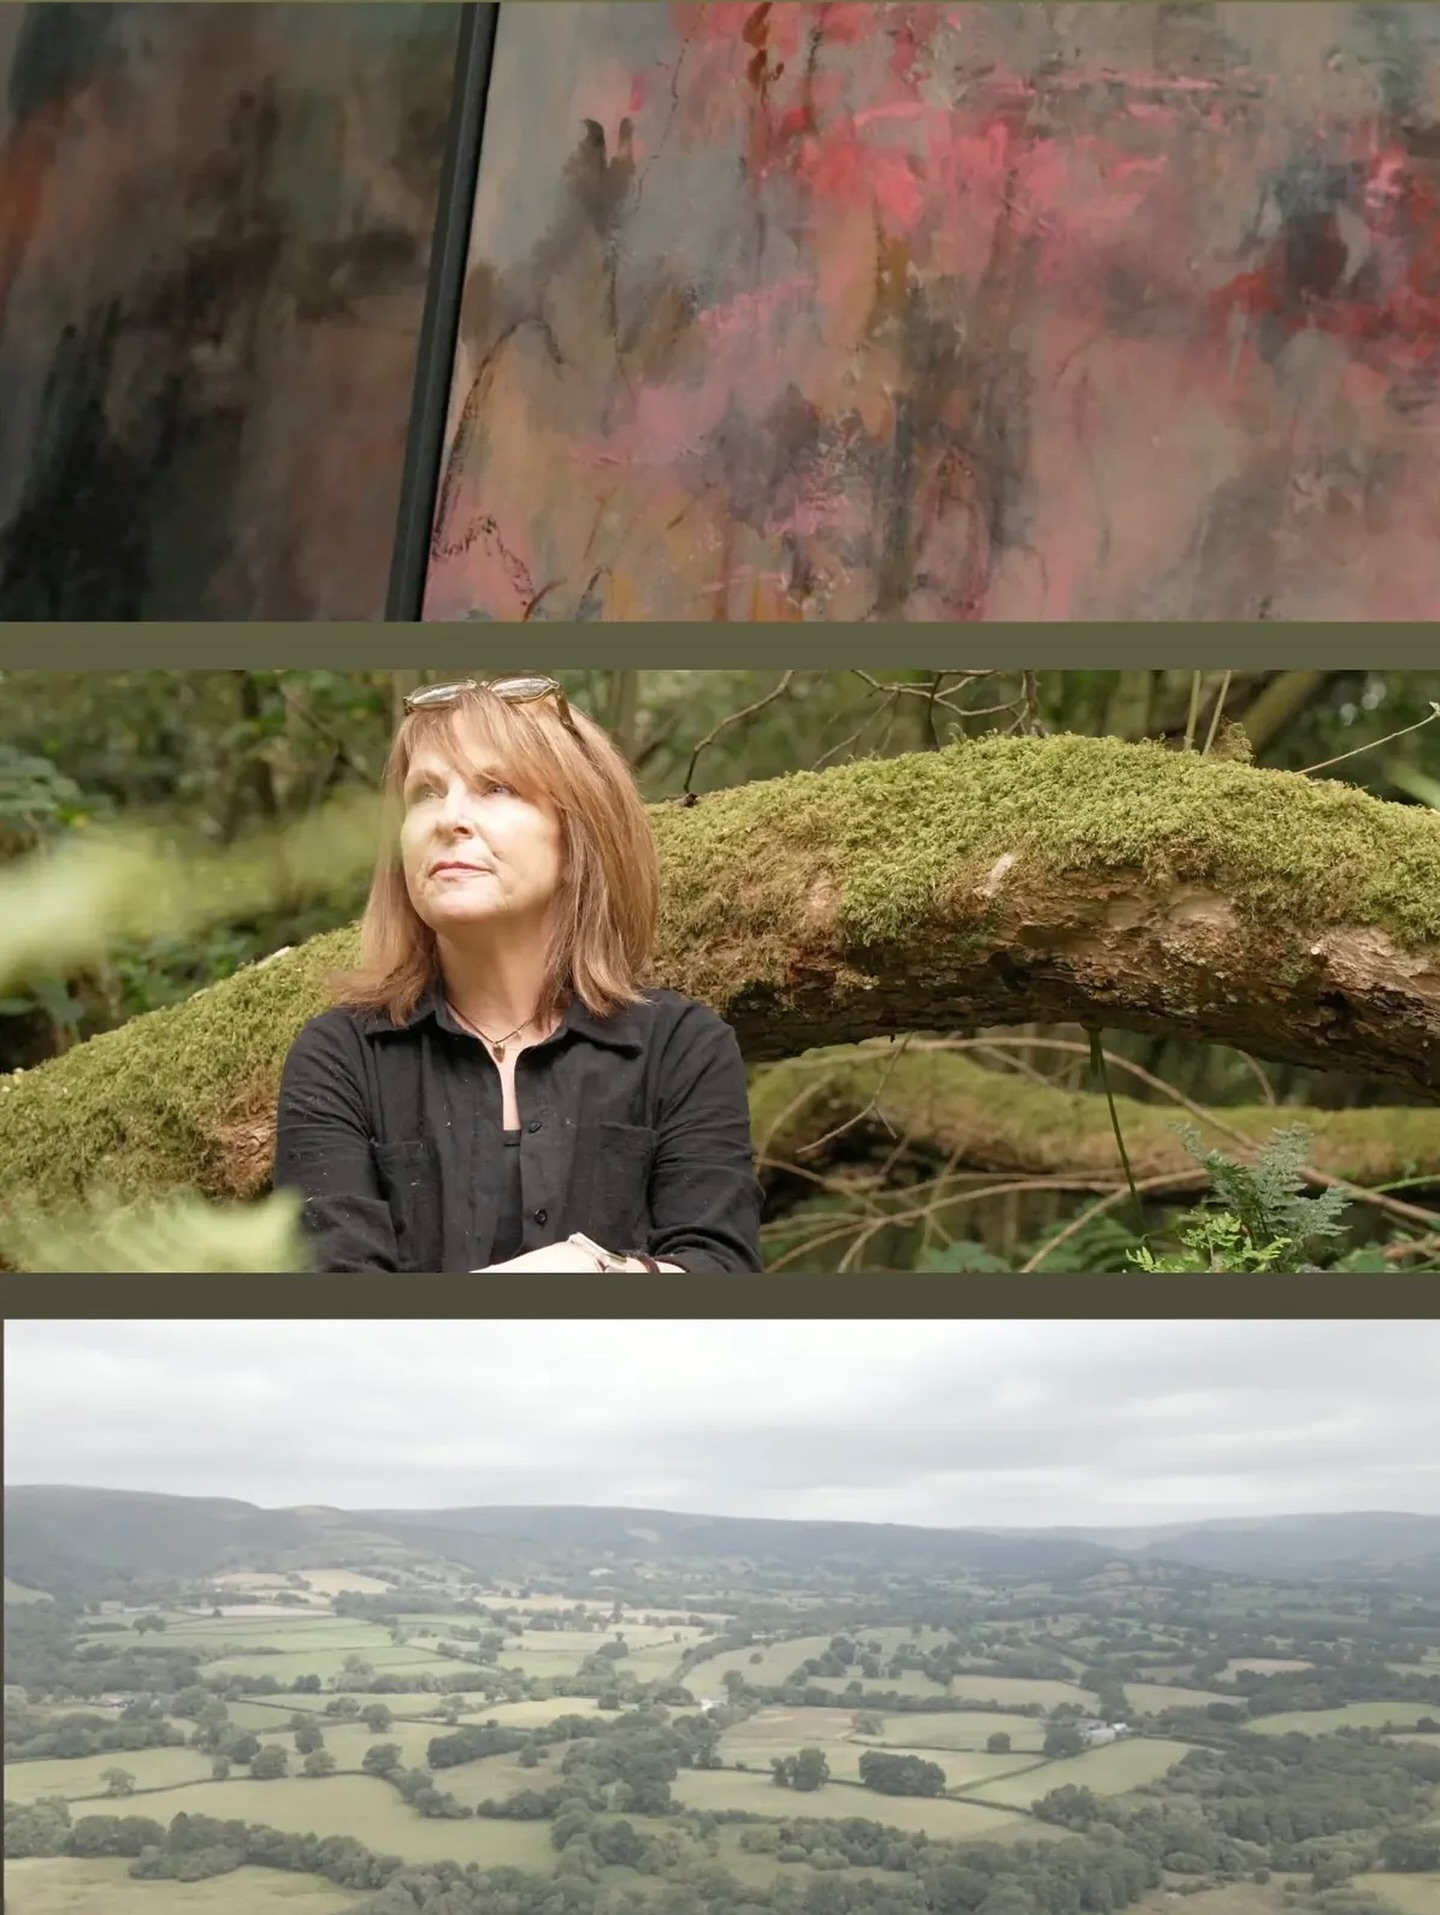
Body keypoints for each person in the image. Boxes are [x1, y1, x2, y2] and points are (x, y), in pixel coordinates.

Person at [272, 676, 763, 1274]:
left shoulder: (681, 1048)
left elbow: (719, 1267)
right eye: (425, 792)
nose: (448, 818)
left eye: (495, 787)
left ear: (577, 832)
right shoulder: (342, 1056)